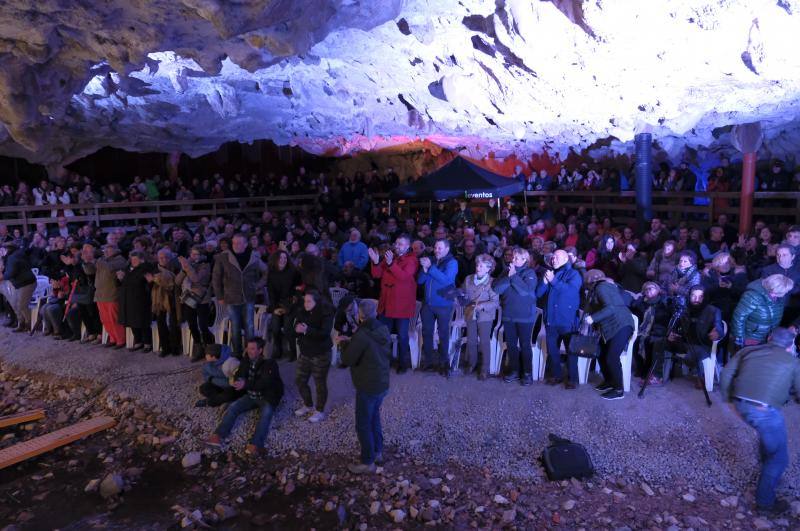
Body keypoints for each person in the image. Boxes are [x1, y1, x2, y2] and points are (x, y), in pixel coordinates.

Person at [719, 328, 800, 515]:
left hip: (741, 403)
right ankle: (765, 504)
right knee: (779, 458)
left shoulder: (747, 351)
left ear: (770, 338)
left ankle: (768, 473)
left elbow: (725, 374)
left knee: (769, 440)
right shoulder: (793, 361)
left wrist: (728, 400)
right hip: (763, 410)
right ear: (790, 345)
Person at [207, 338, 284, 456]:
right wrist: (236, 380)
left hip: (267, 396)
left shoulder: (270, 363)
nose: (249, 351)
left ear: (260, 350)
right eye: (248, 348)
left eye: (253, 348)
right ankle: (218, 435)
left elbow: (265, 383)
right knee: (233, 408)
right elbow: (240, 373)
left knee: (265, 416)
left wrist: (245, 384)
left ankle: (255, 444)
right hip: (252, 395)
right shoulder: (246, 360)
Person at [341, 299, 392, 474]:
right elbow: (370, 348)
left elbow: (347, 359)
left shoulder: (361, 335)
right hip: (382, 382)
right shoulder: (382, 329)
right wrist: (353, 340)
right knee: (374, 418)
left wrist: (343, 343)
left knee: (363, 423)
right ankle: (378, 451)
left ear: (360, 316)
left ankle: (367, 461)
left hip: (367, 385)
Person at [369, 235, 419, 374]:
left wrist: (391, 264)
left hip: (401, 305)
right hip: (386, 303)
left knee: (402, 336)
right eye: (396, 243)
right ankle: (384, 361)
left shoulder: (412, 260)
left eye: (401, 244)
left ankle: (403, 363)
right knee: (383, 335)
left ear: (408, 246)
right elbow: (376, 275)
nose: (397, 246)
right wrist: (375, 262)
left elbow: (403, 277)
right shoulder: (391, 257)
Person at [211, 233, 267, 356]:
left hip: (248, 298)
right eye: (234, 242)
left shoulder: (254, 257)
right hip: (231, 298)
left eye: (239, 243)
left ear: (246, 244)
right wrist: (219, 296)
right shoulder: (223, 257)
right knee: (235, 328)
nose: (236, 245)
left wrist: (257, 285)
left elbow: (266, 272)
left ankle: (251, 353)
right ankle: (237, 353)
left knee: (250, 327)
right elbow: (216, 278)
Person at [584, 269, 635, 400]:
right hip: (613, 326)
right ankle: (610, 382)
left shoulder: (601, 287)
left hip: (621, 325)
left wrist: (593, 318)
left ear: (590, 280)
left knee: (612, 357)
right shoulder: (601, 288)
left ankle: (618, 390)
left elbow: (610, 308)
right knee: (601, 354)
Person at [536, 249, 582, 388]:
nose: (553, 260)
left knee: (571, 351)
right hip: (551, 319)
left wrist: (553, 280)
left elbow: (570, 291)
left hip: (567, 320)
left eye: (556, 257)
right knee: (553, 351)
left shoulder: (574, 274)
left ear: (565, 259)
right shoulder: (550, 273)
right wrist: (544, 282)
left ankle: (573, 379)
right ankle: (557, 376)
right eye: (552, 258)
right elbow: (538, 294)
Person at [493, 247, 538, 385]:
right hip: (508, 316)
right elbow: (496, 288)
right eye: (513, 257)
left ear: (525, 260)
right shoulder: (506, 271)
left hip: (525, 317)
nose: (513, 259)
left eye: (517, 258)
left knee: (525, 345)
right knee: (511, 345)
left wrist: (513, 277)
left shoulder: (530, 273)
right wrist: (509, 276)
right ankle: (514, 370)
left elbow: (525, 291)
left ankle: (527, 373)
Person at [663, 285, 724, 387]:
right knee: (661, 342)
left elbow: (719, 327)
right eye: (693, 296)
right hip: (684, 341)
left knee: (696, 352)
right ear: (689, 296)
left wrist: (717, 333)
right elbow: (675, 325)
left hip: (703, 344)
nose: (696, 299)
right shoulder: (684, 309)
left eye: (700, 297)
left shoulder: (713, 310)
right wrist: (671, 334)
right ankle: (660, 373)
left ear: (705, 297)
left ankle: (701, 374)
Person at [292, 290, 335, 423]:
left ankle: (319, 410)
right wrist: (296, 328)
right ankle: (308, 404)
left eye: (309, 301)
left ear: (317, 302)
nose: (306, 303)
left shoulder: (325, 314)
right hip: (305, 352)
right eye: (305, 300)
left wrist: (307, 330)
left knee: (319, 383)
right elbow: (296, 324)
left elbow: (324, 333)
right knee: (300, 380)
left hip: (320, 353)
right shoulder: (302, 311)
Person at [417, 239, 458, 375]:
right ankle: (428, 362)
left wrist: (430, 268)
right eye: (435, 247)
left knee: (443, 334)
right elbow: (420, 281)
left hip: (443, 305)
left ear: (447, 249)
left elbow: (446, 280)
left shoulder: (452, 262)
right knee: (427, 333)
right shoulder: (431, 261)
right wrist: (424, 270)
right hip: (428, 305)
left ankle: (444, 363)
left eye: (440, 248)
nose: (436, 250)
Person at [461, 254, 499, 380]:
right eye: (477, 265)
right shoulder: (468, 279)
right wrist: (459, 296)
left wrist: (481, 306)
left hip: (485, 316)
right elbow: (463, 294)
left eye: (482, 266)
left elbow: (495, 302)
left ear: (489, 268)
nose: (478, 267)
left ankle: (484, 368)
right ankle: (472, 363)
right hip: (470, 313)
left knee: (484, 342)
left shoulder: (492, 282)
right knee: (471, 340)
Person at [732, 274, 794, 348]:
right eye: (785, 291)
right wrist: (740, 338)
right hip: (751, 338)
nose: (786, 292)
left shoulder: (778, 297)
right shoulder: (752, 296)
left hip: (768, 337)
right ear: (774, 290)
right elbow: (738, 317)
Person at [84, 244, 127, 348]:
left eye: (109, 250)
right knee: (105, 320)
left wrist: (95, 260)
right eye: (105, 250)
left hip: (112, 294)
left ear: (116, 250)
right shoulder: (102, 260)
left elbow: (109, 268)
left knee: (114, 319)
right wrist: (87, 262)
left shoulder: (120, 260)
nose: (106, 252)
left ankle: (121, 340)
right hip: (100, 295)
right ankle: (113, 338)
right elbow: (89, 271)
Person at [177, 246, 214, 360]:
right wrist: (184, 270)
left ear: (202, 255)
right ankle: (198, 347)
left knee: (203, 325)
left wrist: (187, 266)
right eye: (192, 254)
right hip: (189, 298)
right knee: (192, 324)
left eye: (196, 254)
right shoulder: (188, 266)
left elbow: (195, 279)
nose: (194, 257)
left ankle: (209, 347)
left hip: (202, 299)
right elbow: (177, 281)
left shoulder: (205, 265)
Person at [631, 281, 671, 385]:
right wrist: (640, 299)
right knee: (636, 341)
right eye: (646, 289)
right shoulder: (642, 303)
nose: (649, 290)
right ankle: (641, 370)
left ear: (658, 290)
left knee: (648, 342)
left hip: (657, 331)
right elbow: (633, 306)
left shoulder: (663, 302)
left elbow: (664, 319)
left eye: (651, 288)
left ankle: (649, 371)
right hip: (643, 330)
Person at [117, 250, 153, 352]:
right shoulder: (127, 269)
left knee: (142, 322)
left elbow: (149, 284)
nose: (133, 261)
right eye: (132, 259)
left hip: (140, 299)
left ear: (141, 260)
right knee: (132, 321)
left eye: (136, 259)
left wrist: (150, 282)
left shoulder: (145, 269)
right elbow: (124, 283)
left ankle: (147, 343)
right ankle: (138, 341)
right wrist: (120, 279)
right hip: (128, 300)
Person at [0, 241, 36, 332]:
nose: (2, 251)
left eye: (3, 249)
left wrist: (2, 276)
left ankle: (30, 323)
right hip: (20, 283)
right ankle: (22, 323)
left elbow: (11, 272)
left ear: (9, 249)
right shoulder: (14, 255)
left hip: (26, 283)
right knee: (16, 304)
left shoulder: (13, 257)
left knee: (22, 305)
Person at [150, 248, 180, 357]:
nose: (163, 260)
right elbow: (151, 284)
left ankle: (175, 347)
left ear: (170, 258)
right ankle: (165, 347)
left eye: (166, 257)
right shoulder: (154, 269)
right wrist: (152, 281)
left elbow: (173, 285)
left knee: (173, 324)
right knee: (161, 324)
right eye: (161, 258)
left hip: (172, 299)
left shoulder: (175, 268)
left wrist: (157, 280)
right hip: (158, 300)